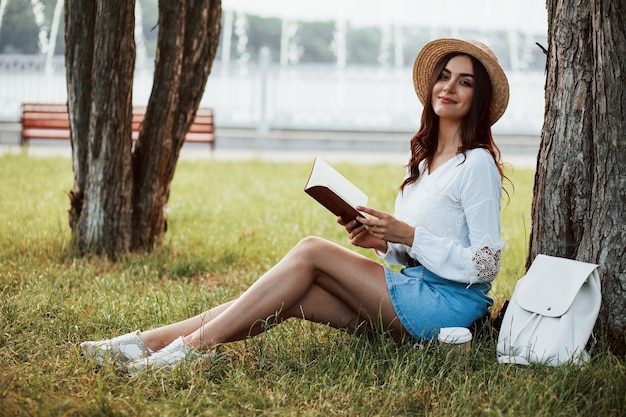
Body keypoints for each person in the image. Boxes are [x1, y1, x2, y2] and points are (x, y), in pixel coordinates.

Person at [80, 38, 510, 374]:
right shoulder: (422, 163)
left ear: (477, 97)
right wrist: (380, 243)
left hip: (447, 308)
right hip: (413, 291)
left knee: (311, 250)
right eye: (445, 76)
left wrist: (408, 234)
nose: (449, 87)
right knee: (292, 295)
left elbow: (487, 264)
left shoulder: (477, 166)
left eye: (465, 81)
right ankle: (147, 343)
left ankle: (187, 351)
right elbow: (411, 253)